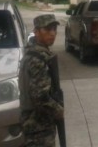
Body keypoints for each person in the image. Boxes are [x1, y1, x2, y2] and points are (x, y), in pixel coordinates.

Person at [19, 14, 64, 147]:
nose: (52, 33)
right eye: (47, 29)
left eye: (54, 29)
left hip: (36, 124)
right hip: (38, 127)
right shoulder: (37, 59)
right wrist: (58, 110)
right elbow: (40, 97)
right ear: (36, 31)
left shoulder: (34, 53)